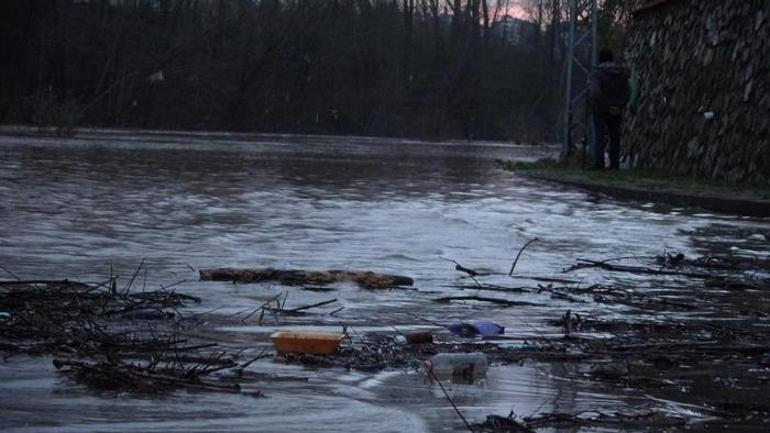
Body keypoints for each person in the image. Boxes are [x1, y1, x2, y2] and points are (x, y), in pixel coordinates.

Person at [589, 49, 630, 170]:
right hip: (617, 110)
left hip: (600, 109)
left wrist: (607, 106)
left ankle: (599, 163)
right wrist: (619, 106)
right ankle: (614, 164)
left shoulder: (596, 73)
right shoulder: (622, 74)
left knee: (599, 137)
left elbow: (594, 93)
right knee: (615, 138)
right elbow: (627, 93)